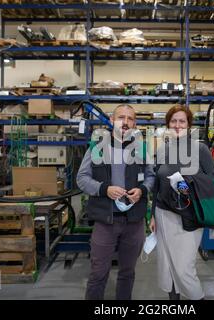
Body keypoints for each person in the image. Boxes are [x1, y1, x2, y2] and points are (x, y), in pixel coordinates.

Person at [77, 104, 155, 300]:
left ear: (135, 123)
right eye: (121, 117)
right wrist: (104, 189)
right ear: (112, 121)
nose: (125, 122)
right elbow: (82, 179)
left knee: (128, 273)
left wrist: (142, 190)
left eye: (130, 118)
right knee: (98, 273)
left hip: (134, 222)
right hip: (105, 221)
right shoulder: (97, 148)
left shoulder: (141, 148)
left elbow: (151, 177)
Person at [149, 105, 214, 300]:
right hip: (164, 215)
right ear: (168, 124)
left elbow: (213, 181)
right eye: (173, 121)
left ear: (188, 125)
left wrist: (189, 187)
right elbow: (157, 184)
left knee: (184, 269)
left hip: (190, 217)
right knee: (168, 267)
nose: (177, 125)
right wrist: (152, 214)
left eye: (182, 121)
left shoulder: (200, 149)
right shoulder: (163, 150)